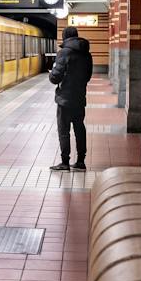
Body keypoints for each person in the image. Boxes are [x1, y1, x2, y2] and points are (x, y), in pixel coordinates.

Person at [47, 24, 93, 172]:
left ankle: (65, 162)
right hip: (79, 97)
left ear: (65, 37)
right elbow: (88, 76)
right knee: (79, 128)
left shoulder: (63, 53)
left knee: (64, 130)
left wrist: (52, 74)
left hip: (65, 99)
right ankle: (80, 161)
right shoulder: (87, 54)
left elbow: (55, 77)